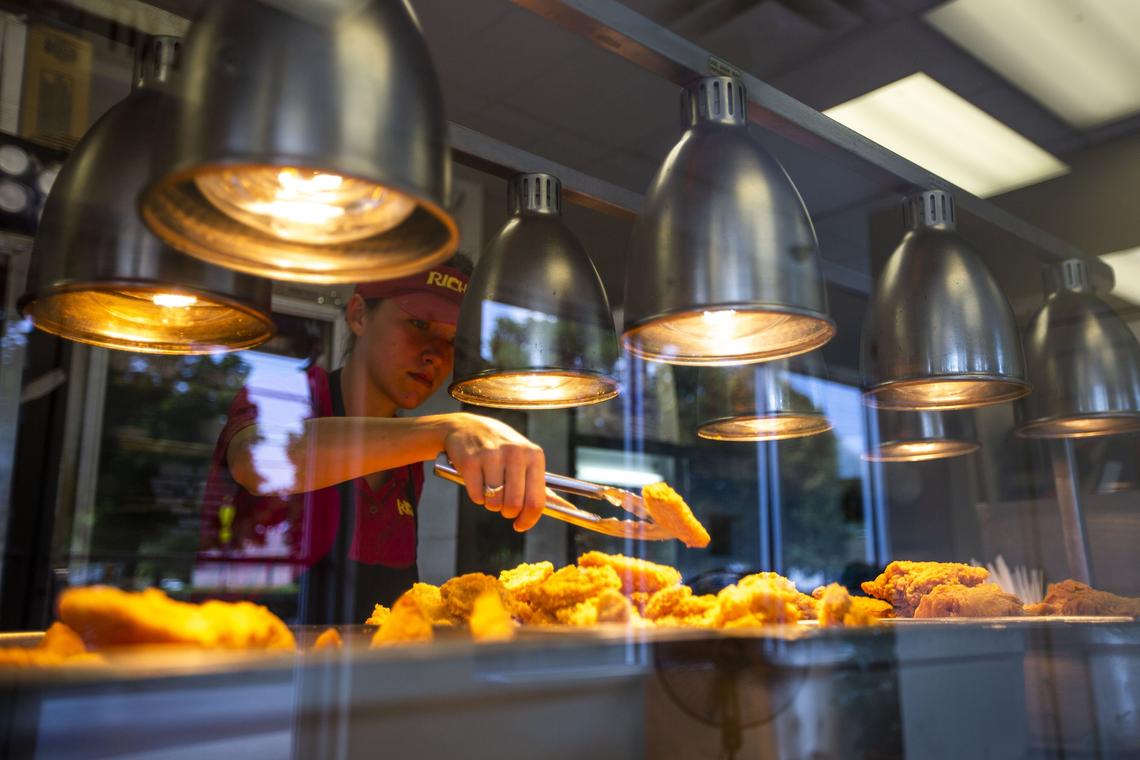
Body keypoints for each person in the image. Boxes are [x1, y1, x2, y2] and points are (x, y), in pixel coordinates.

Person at [200, 254, 548, 624]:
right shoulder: (284, 391)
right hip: (255, 666)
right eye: (419, 323)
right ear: (359, 315)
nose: (436, 355)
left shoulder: (408, 459)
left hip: (374, 675)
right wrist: (444, 429)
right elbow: (258, 461)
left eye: (453, 341)